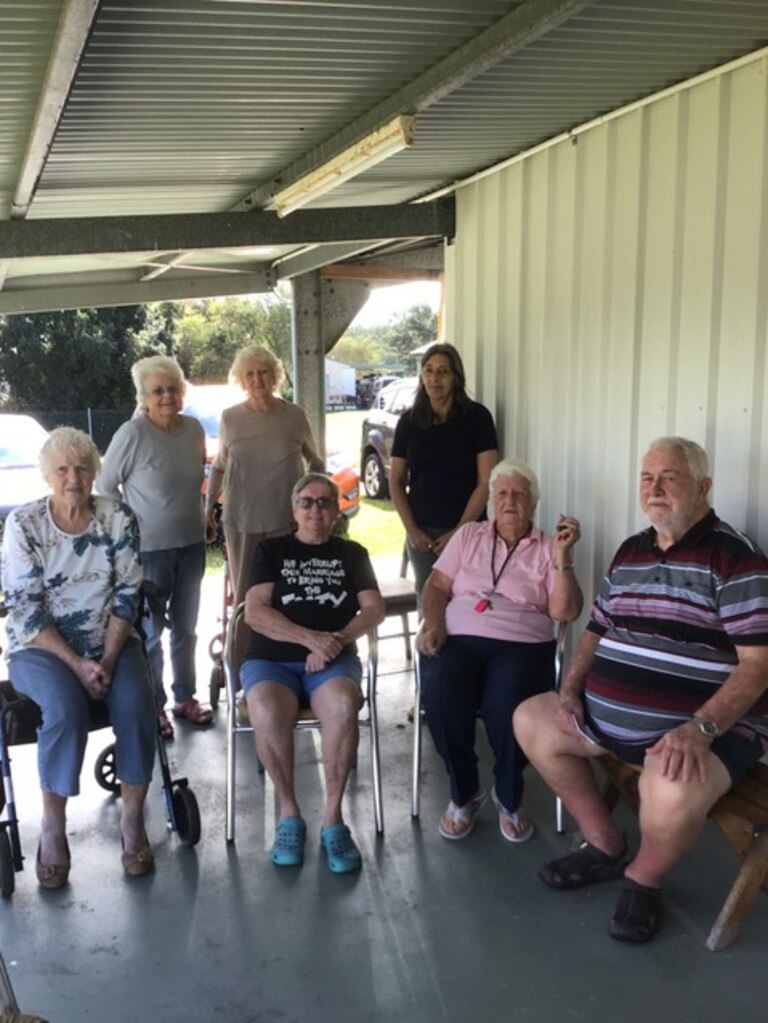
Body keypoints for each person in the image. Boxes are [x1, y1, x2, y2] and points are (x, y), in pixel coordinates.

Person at [514, 437, 768, 944]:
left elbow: (758, 666)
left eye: (669, 477)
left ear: (704, 487)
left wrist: (699, 729)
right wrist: (569, 691)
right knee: (531, 719)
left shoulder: (735, 558)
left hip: (706, 731)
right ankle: (605, 844)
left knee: (671, 788)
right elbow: (596, 630)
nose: (654, 489)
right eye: (646, 478)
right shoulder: (631, 550)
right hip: (608, 719)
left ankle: (643, 877)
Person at [1, 427, 157, 887]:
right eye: (64, 469)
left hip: (110, 641)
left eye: (83, 467)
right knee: (66, 710)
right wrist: (78, 665)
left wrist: (105, 661)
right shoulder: (24, 525)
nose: (74, 478)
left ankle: (133, 821)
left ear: (95, 471)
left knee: (136, 703)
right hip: (41, 648)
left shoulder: (118, 518)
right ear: (49, 474)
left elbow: (128, 592)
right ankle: (52, 826)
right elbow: (26, 609)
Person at [417, 458, 583, 842]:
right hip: (457, 638)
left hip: (523, 646)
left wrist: (562, 560)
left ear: (533, 503)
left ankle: (508, 796)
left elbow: (566, 612)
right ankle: (464, 793)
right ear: (491, 499)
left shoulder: (547, 547)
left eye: (519, 494)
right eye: (502, 493)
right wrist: (436, 624)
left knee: (509, 706)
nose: (510, 501)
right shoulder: (468, 536)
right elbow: (436, 587)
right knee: (442, 694)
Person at [241, 473, 384, 873]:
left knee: (341, 705)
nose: (315, 510)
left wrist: (333, 642)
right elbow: (254, 611)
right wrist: (310, 640)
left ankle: (332, 819)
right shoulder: (271, 550)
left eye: (324, 502)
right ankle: (290, 814)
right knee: (265, 711)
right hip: (271, 660)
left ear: (337, 509)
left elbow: (374, 610)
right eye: (306, 502)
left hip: (333, 662)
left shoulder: (352, 553)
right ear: (293, 509)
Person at [98, 355, 211, 735]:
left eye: (173, 389)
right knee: (150, 634)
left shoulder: (193, 429)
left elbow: (196, 478)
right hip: (148, 551)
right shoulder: (132, 434)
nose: (166, 397)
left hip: (192, 544)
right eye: (157, 391)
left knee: (187, 628)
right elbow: (106, 485)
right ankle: (154, 706)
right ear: (144, 396)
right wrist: (128, 527)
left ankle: (185, 697)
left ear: (183, 391)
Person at [205, 344, 325, 616]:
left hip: (287, 520)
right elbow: (219, 467)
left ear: (275, 375)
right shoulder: (231, 418)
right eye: (250, 374)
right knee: (247, 596)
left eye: (263, 372)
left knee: (289, 595)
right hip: (242, 521)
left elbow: (315, 462)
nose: (257, 380)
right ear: (241, 379)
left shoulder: (294, 415)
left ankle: (289, 653)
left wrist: (316, 502)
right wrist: (208, 508)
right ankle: (244, 655)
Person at [389, 343, 498, 597]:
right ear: (421, 376)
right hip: (423, 534)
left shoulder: (478, 418)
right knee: (429, 601)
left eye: (443, 372)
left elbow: (485, 482)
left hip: (469, 529)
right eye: (428, 370)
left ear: (455, 378)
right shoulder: (409, 421)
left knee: (468, 599)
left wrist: (459, 531)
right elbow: (395, 481)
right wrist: (412, 530)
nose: (434, 379)